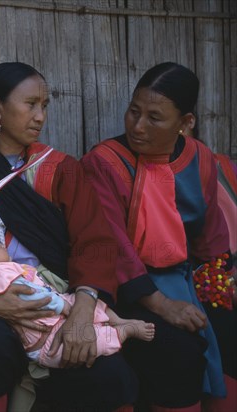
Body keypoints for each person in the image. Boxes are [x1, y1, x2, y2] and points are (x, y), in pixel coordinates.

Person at [0, 62, 138, 411]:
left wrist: (82, 310)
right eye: (30, 104)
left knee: (109, 372)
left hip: (59, 297)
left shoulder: (60, 169)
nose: (40, 116)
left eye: (45, 105)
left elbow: (94, 242)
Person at [81, 62, 237, 411]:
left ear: (186, 123)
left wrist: (222, 283)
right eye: (134, 112)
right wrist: (162, 304)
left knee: (230, 329)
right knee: (176, 350)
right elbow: (113, 247)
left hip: (188, 281)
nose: (137, 126)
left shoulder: (201, 159)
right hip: (127, 290)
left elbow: (211, 238)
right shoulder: (104, 163)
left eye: (154, 118)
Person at [0, 226, 155, 365]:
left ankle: (119, 323)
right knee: (85, 345)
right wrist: (63, 308)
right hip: (45, 333)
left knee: (90, 304)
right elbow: (30, 295)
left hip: (52, 312)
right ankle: (121, 331)